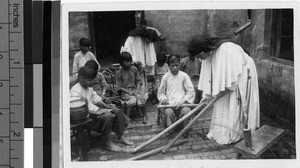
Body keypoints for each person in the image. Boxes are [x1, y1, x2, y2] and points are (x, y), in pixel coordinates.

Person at [191, 35, 260, 144]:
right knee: (222, 103)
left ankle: (236, 134)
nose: (200, 59)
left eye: (199, 56)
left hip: (242, 75)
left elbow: (233, 75)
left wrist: (224, 89)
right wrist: (206, 96)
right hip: (230, 78)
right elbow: (208, 76)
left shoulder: (226, 49)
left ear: (204, 50)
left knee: (234, 103)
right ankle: (222, 133)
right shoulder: (209, 54)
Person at [70, 65, 133, 152]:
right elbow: (76, 111)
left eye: (93, 79)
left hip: (94, 112)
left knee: (116, 110)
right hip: (85, 118)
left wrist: (106, 106)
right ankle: (108, 143)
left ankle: (120, 136)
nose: (92, 82)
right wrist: (95, 112)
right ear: (80, 78)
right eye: (89, 80)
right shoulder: (75, 91)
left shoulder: (88, 88)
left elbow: (96, 99)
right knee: (108, 116)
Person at [157, 55, 195, 133]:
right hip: (170, 104)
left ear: (179, 65)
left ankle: (184, 129)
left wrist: (183, 100)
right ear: (168, 66)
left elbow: (191, 91)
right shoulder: (165, 77)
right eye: (172, 66)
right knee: (168, 112)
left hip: (182, 104)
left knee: (186, 111)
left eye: (177, 65)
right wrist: (165, 100)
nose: (175, 68)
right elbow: (160, 93)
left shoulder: (184, 76)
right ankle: (171, 128)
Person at [115, 52, 148, 124]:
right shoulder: (119, 73)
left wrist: (136, 90)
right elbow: (119, 87)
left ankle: (145, 115)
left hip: (134, 90)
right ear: (121, 63)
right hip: (124, 92)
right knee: (132, 99)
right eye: (126, 62)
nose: (128, 63)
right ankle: (127, 119)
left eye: (130, 62)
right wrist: (128, 92)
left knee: (140, 97)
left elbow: (139, 81)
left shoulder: (134, 69)